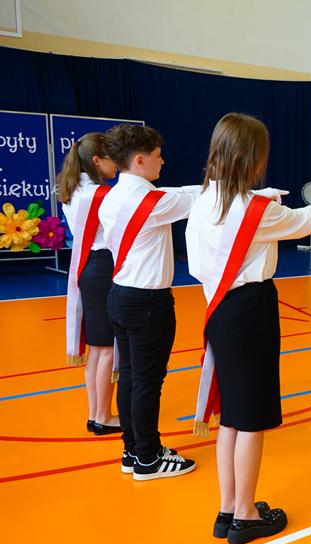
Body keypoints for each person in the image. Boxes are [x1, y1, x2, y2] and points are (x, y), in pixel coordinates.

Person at [186, 113, 311, 544]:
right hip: (251, 311)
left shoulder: (204, 199)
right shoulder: (259, 211)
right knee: (250, 417)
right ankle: (247, 515)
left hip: (218, 309)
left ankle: (228, 508)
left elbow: (246, 218)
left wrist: (262, 199)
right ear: (252, 158)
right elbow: (306, 221)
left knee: (231, 416)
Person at [100, 124, 201, 480]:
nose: (163, 162)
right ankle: (148, 458)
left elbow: (181, 192)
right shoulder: (151, 202)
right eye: (158, 156)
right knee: (146, 382)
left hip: (120, 294)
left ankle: (133, 450)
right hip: (146, 303)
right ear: (140, 160)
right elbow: (197, 197)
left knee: (130, 377)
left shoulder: (113, 197)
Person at [59, 132, 121, 435]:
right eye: (112, 158)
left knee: (96, 348)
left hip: (87, 267)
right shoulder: (101, 194)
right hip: (103, 265)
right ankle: (104, 416)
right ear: (97, 160)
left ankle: (96, 413)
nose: (117, 164)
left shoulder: (72, 190)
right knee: (106, 348)